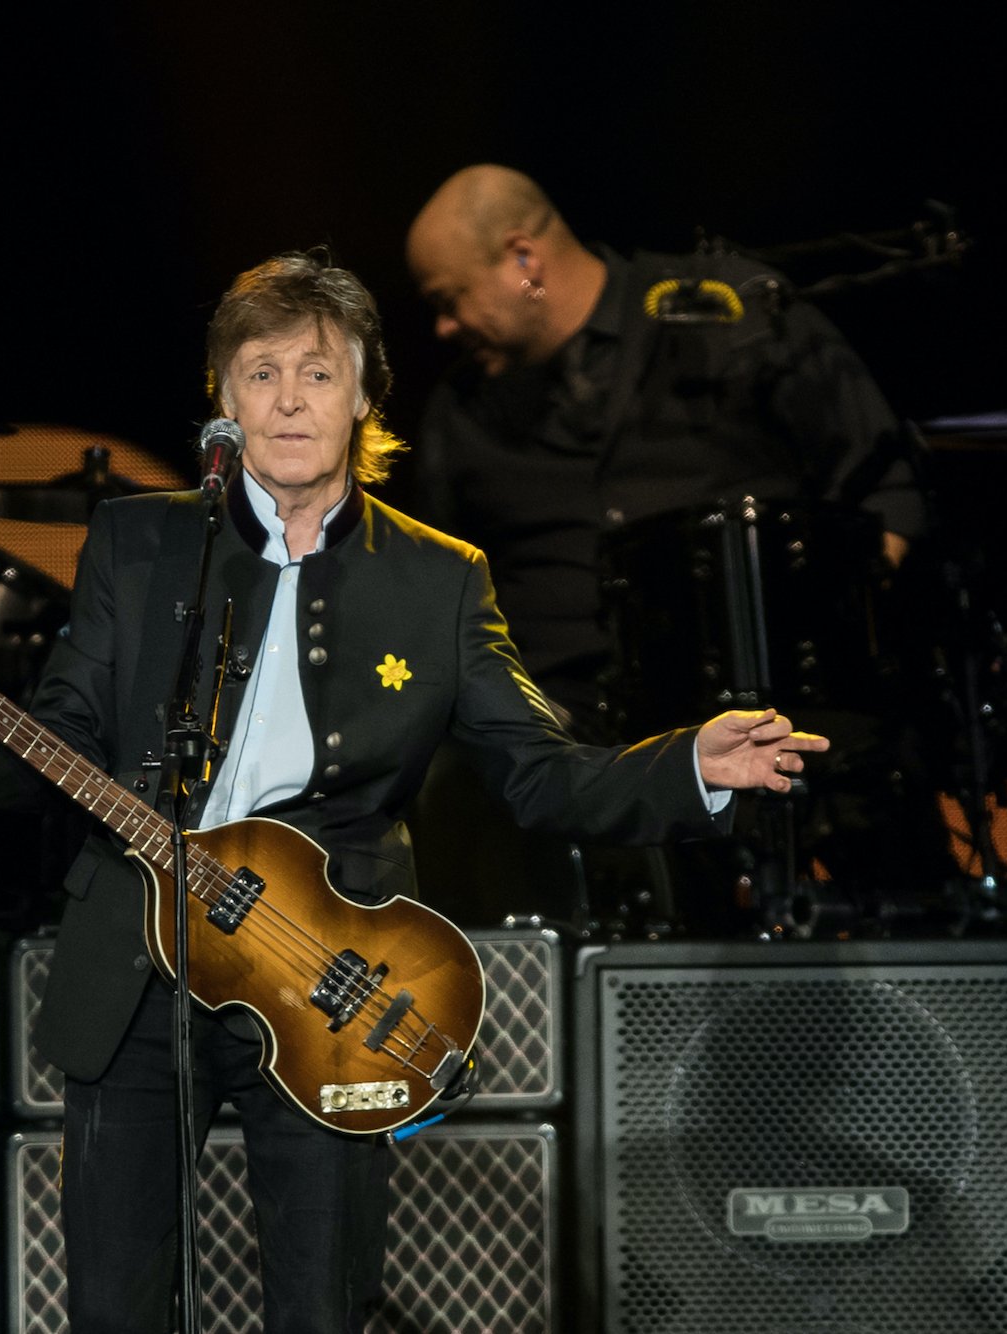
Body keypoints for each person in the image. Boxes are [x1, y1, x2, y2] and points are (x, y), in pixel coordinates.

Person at [0, 249, 828, 1334]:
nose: (287, 398)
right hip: (135, 968)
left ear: (365, 394)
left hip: (331, 978)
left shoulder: (438, 576)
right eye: (258, 372)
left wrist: (688, 765)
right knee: (113, 1304)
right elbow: (58, 746)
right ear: (222, 402)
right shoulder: (140, 543)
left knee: (325, 1302)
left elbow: (538, 769)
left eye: (316, 372)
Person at [402, 163, 946, 934]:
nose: (443, 330)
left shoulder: (727, 314)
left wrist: (830, 625)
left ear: (523, 259)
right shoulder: (464, 413)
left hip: (779, 701)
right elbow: (438, 592)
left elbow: (888, 489)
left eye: (446, 301)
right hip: (572, 736)